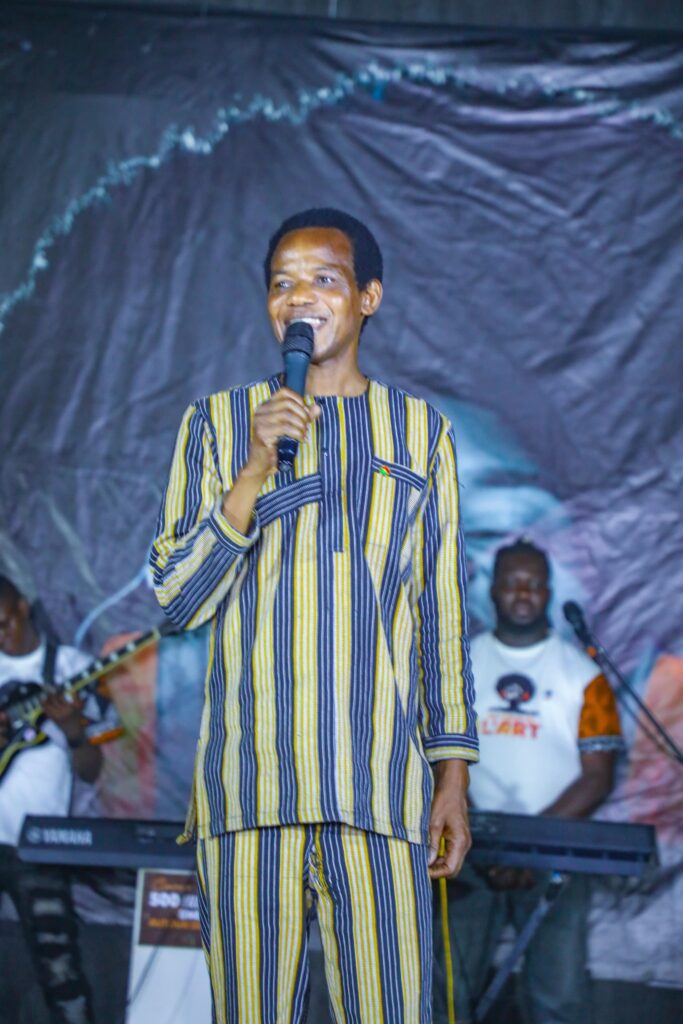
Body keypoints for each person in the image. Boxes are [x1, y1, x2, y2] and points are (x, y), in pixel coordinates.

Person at [150, 207, 479, 1023]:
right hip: (248, 791)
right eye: (281, 283)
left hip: (379, 793)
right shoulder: (215, 424)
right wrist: (252, 472)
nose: (298, 297)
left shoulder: (420, 433)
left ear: (368, 297)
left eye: (323, 280)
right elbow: (177, 601)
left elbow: (440, 615)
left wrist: (452, 776)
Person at [433, 539, 623, 1024]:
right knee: (449, 991)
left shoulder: (586, 676)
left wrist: (527, 847)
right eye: (513, 583)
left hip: (556, 853)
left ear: (549, 593)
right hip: (466, 851)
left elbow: (597, 777)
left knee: (558, 996)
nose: (523, 593)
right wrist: (490, 843)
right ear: (493, 590)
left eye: (535, 584)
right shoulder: (458, 667)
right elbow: (434, 760)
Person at [0, 575, 122, 1024]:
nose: (0, 636)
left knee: (61, 972)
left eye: (3, 624)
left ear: (23, 609)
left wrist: (73, 732)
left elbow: (91, 771)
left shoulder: (73, 668)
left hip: (37, 844)